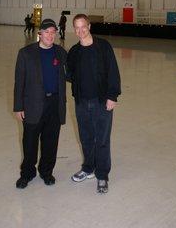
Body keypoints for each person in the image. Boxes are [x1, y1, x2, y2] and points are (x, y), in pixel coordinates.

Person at [67, 14, 121, 194]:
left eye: (83, 26)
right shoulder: (74, 51)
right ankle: (88, 168)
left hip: (102, 101)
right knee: (86, 138)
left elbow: (113, 71)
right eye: (77, 28)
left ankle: (102, 175)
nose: (80, 31)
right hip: (81, 102)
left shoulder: (103, 46)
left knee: (102, 140)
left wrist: (112, 96)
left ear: (89, 26)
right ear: (74, 29)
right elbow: (69, 75)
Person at [14, 18, 67, 189]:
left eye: (53, 32)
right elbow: (19, 82)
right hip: (33, 105)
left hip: (54, 104)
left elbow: (72, 73)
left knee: (51, 141)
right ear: (40, 34)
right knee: (29, 142)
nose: (50, 35)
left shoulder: (60, 52)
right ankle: (27, 173)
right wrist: (18, 106)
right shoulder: (26, 53)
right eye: (46, 32)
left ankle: (46, 171)